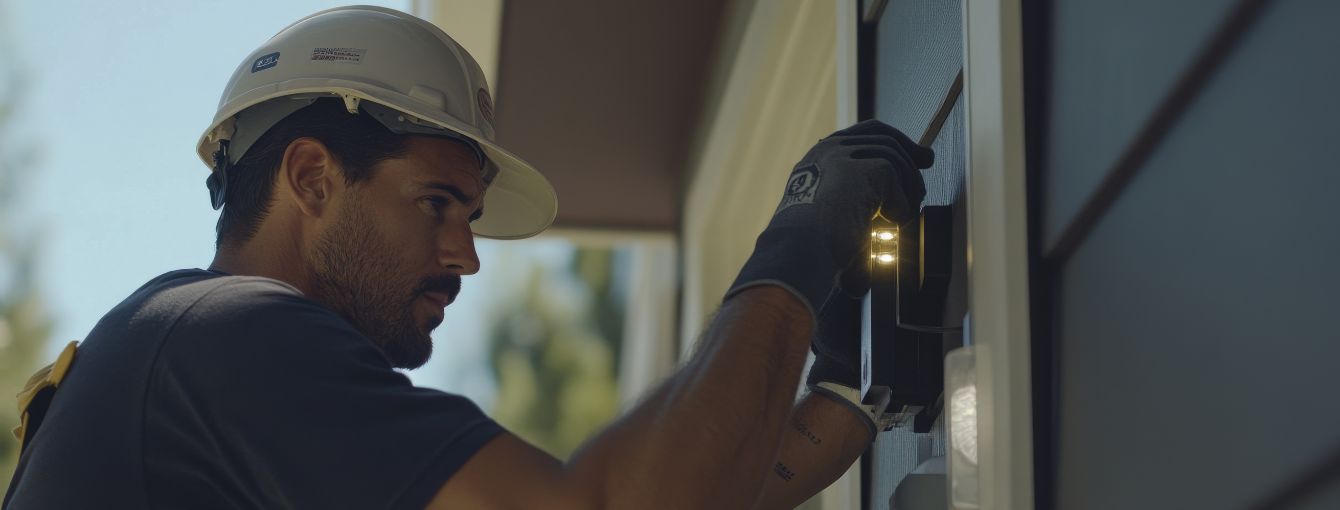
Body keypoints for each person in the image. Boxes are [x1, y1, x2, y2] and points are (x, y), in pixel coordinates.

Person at [2, 6, 932, 509]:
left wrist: (848, 402)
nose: (465, 257)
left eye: (472, 218)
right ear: (314, 177)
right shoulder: (225, 337)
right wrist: (798, 251)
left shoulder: (191, 376)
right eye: (438, 204)